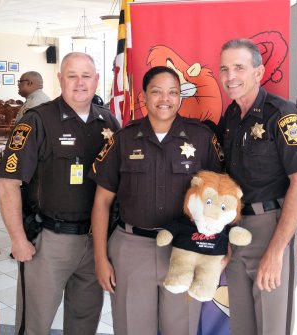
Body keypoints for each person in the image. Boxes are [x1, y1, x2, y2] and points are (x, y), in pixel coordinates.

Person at [90, 66, 222, 335]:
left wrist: (216, 253)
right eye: (157, 92)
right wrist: (100, 258)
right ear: (144, 96)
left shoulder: (202, 138)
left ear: (180, 97)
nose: (165, 99)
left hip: (184, 250)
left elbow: (221, 198)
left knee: (181, 328)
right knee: (132, 327)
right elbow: (102, 202)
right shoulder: (123, 139)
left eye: (173, 92)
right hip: (131, 249)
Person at [0, 52, 120, 335]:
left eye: (86, 76)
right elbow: (7, 183)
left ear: (97, 80)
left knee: (84, 324)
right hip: (48, 243)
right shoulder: (37, 121)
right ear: (60, 79)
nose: (80, 83)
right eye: (72, 76)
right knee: (35, 325)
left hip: (95, 243)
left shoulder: (109, 122)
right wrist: (17, 239)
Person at [218, 38, 297, 335]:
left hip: (269, 228)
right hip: (235, 229)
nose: (230, 75)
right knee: (242, 325)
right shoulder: (231, 117)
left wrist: (277, 250)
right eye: (224, 68)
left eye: (238, 67)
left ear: (258, 73)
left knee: (272, 326)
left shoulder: (282, 114)